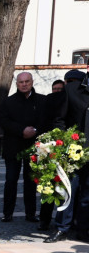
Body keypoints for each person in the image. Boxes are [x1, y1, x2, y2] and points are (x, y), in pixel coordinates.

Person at [41, 68, 89, 242]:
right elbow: (59, 119)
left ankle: (83, 229)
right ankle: (62, 228)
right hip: (73, 151)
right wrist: (64, 142)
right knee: (67, 192)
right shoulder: (71, 90)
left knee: (87, 195)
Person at [0, 72, 44, 224]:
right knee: (11, 180)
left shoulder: (42, 101)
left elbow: (46, 120)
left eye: (27, 81)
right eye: (21, 82)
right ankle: (7, 213)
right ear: (16, 84)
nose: (24, 84)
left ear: (32, 82)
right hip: (13, 147)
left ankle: (31, 213)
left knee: (31, 182)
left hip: (34, 147)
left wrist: (35, 131)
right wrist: (21, 130)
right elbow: (3, 121)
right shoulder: (8, 102)